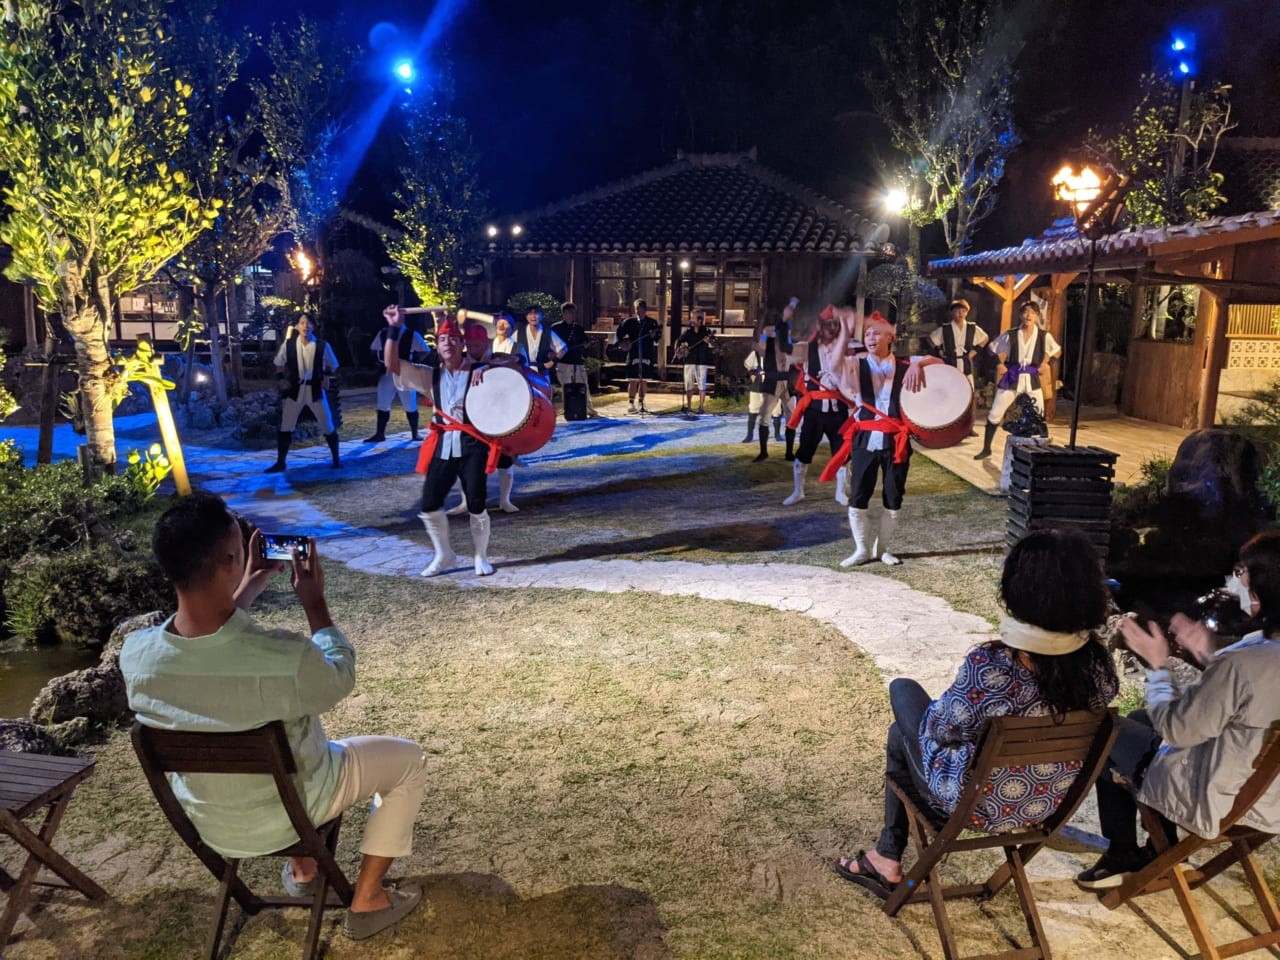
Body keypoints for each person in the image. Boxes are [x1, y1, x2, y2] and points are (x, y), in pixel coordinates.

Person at [120, 494, 428, 941]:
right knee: (408, 762)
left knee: (281, 755)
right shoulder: (282, 656)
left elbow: (209, 649)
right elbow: (339, 679)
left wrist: (246, 587)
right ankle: (367, 898)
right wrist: (315, 605)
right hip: (293, 811)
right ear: (232, 559)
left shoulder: (137, 656)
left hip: (211, 822)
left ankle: (305, 871)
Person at [832, 528, 1119, 898]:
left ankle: (888, 856)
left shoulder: (991, 667)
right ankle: (886, 853)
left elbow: (939, 729)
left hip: (976, 804)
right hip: (1044, 802)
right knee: (904, 725)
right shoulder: (1097, 666)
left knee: (902, 696)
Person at [1076, 532, 1280, 889]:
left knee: (1107, 730)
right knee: (1140, 720)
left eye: (1242, 574)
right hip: (1269, 793)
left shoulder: (1244, 661)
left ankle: (1131, 850)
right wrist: (1207, 656)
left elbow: (1178, 731)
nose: (1235, 582)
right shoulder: (1259, 652)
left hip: (1222, 794)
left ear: (1265, 587)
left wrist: (1158, 667)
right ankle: (1158, 846)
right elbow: (1250, 694)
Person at [383, 308, 496, 577]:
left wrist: (488, 368)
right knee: (430, 503)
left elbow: (514, 367)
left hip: (473, 442)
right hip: (443, 441)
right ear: (437, 345)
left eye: (453, 338)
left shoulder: (479, 370)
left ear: (462, 343)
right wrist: (394, 328)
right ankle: (444, 554)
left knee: (477, 502)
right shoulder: (429, 375)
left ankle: (481, 556)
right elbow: (392, 365)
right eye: (442, 339)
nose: (447, 343)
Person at [837, 314, 943, 566]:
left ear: (890, 337)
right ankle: (861, 549)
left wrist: (919, 364)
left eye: (876, 333)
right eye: (867, 334)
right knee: (858, 494)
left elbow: (940, 362)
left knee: (894, 496)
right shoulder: (856, 364)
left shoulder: (907, 364)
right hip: (865, 437)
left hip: (896, 440)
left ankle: (882, 549)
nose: (870, 338)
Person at [445, 323, 521, 516]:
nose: (473, 349)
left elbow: (519, 361)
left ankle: (505, 500)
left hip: (498, 415)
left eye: (477, 345)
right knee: (466, 462)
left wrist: (488, 366)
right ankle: (466, 501)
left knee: (504, 458)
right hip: (469, 417)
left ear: (486, 343)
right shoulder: (460, 361)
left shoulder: (497, 357)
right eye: (470, 345)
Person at [974, 301, 1060, 460]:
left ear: (1037, 316)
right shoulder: (1011, 334)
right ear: (1020, 315)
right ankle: (986, 449)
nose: (1029, 315)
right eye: (1026, 312)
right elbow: (992, 349)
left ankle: (1044, 452)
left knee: (1038, 415)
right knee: (995, 413)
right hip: (1013, 377)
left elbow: (1056, 351)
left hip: (1032, 379)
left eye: (1032, 313)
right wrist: (999, 364)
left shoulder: (1043, 336)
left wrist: (1045, 362)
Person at [783, 304, 850, 505]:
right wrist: (784, 323)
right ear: (819, 326)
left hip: (838, 409)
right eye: (827, 324)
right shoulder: (807, 348)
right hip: (814, 410)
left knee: (842, 451)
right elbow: (783, 349)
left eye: (835, 324)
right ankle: (798, 491)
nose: (832, 328)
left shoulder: (848, 348)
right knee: (804, 450)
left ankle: (840, 492)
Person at [266, 314, 341, 473]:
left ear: (313, 326)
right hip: (295, 390)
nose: (305, 326)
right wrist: (281, 379)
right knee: (286, 425)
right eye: (302, 323)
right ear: (297, 326)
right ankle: (281, 462)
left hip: (315, 390)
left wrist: (326, 376)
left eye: (308, 323)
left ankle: (336, 459)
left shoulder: (322, 345)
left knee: (327, 423)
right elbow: (279, 362)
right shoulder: (289, 345)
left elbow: (332, 364)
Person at [365, 311, 430, 443]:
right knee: (383, 402)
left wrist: (414, 362)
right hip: (388, 373)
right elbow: (373, 349)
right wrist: (380, 361)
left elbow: (425, 350)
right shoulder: (384, 333)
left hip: (405, 373)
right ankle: (380, 433)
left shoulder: (411, 334)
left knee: (410, 403)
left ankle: (415, 433)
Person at [929, 298, 988, 438]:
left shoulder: (972, 328)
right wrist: (940, 351)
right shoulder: (945, 329)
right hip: (951, 363)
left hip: (965, 363)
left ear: (967, 312)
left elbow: (984, 338)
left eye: (963, 311)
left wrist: (973, 353)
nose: (960, 314)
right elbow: (931, 339)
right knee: (949, 395)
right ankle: (948, 426)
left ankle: (968, 427)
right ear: (952, 312)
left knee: (969, 395)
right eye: (957, 311)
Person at [614, 299, 661, 414]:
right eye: (637, 310)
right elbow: (618, 334)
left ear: (645, 310)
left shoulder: (652, 323)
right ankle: (631, 403)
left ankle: (641, 402)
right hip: (634, 352)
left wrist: (654, 335)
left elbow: (657, 338)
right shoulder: (629, 322)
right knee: (633, 379)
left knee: (644, 379)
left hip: (647, 352)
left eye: (641, 310)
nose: (639, 312)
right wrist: (622, 343)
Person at [552, 302, 597, 418]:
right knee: (567, 388)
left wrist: (587, 344)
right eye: (570, 312)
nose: (572, 315)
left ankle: (588, 409)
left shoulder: (578, 328)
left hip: (577, 361)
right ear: (564, 313)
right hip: (563, 362)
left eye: (573, 313)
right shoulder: (556, 328)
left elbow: (584, 343)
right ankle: (569, 410)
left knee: (583, 386)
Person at [674, 310, 717, 415]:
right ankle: (689, 406)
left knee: (702, 384)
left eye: (693, 318)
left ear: (700, 320)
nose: (691, 320)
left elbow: (715, 344)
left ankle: (701, 407)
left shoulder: (706, 331)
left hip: (702, 361)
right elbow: (678, 341)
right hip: (689, 361)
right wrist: (677, 351)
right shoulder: (688, 331)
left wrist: (710, 341)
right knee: (689, 384)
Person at [516, 306, 567, 378]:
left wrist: (552, 362)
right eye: (530, 314)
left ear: (541, 316)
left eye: (536, 314)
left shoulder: (547, 332)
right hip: (524, 370)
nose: (533, 317)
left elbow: (563, 349)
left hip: (542, 371)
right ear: (526, 317)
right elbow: (511, 346)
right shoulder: (519, 332)